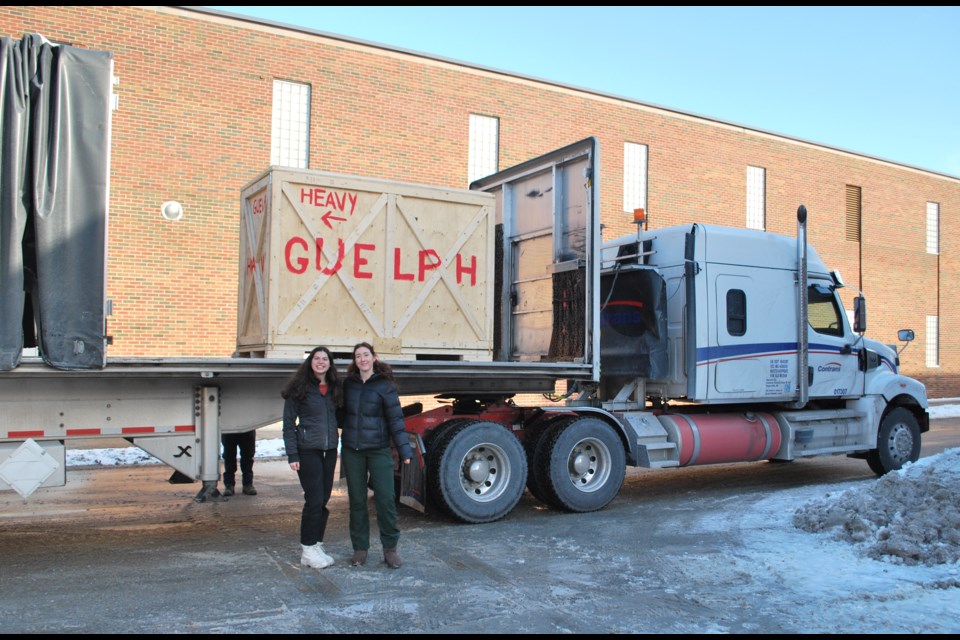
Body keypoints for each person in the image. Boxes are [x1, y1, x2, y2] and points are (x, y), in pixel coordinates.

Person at [340, 342, 412, 569]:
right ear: (355, 361)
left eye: (365, 355)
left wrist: (404, 450)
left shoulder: (384, 385)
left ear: (373, 357)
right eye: (358, 356)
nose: (362, 359)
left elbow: (396, 420)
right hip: (353, 451)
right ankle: (360, 549)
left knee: (385, 499)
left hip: (379, 450)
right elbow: (339, 413)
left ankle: (390, 549)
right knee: (357, 501)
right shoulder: (348, 385)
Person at [281, 346, 343, 570]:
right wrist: (292, 454)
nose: (320, 362)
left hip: (329, 450)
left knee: (324, 499)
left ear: (330, 363)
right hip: (308, 450)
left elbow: (342, 416)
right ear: (310, 362)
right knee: (314, 499)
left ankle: (316, 544)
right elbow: (289, 423)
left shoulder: (335, 388)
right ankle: (307, 549)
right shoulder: (300, 387)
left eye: (324, 359)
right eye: (316, 358)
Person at [221, 430, 257, 496]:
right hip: (229, 427)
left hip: (248, 426)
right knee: (229, 455)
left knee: (247, 455)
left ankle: (248, 484)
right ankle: (229, 485)